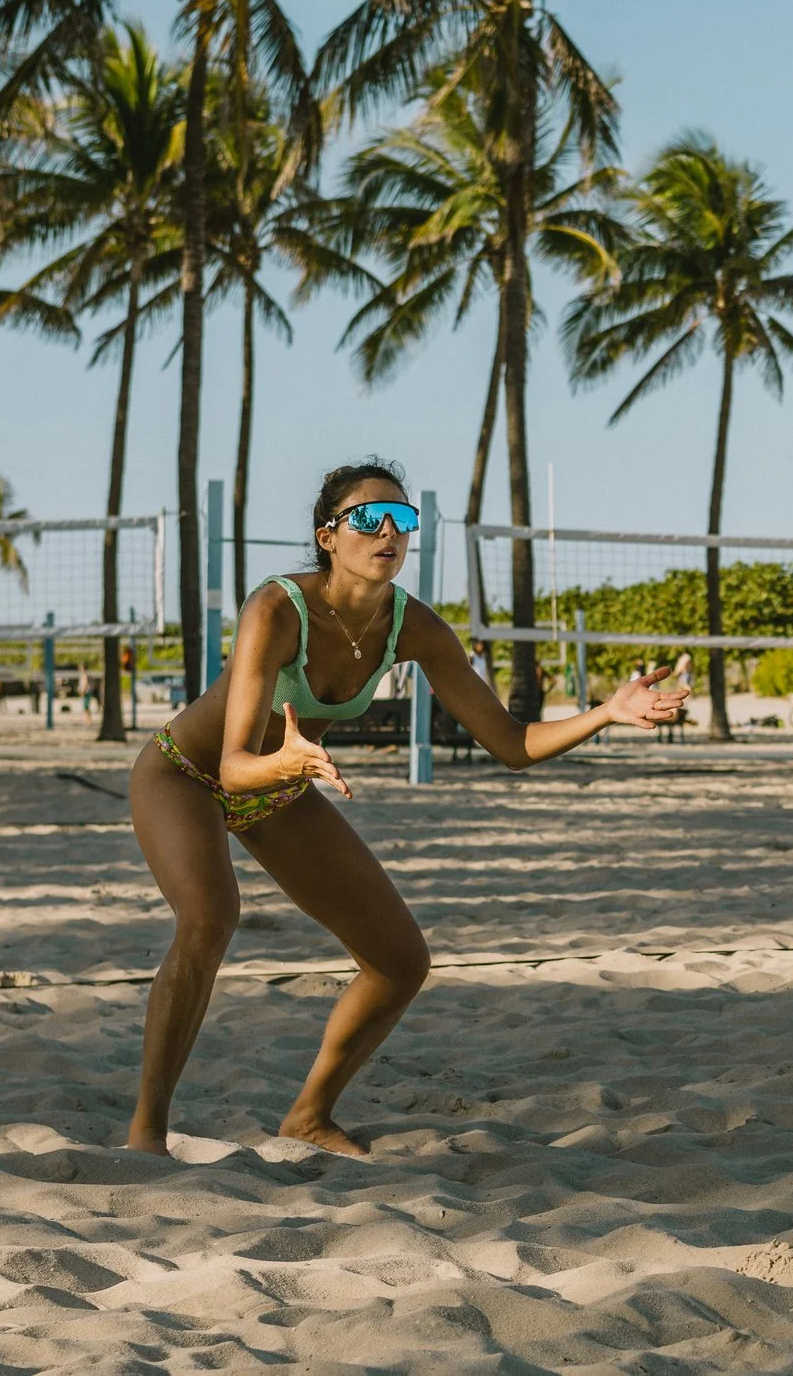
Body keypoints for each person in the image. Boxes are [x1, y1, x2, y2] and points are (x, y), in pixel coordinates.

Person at [126, 460, 686, 1158]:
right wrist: (287, 761)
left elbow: (510, 743)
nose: (389, 530)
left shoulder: (412, 626)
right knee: (211, 917)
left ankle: (307, 1115)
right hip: (186, 773)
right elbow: (235, 764)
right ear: (327, 536)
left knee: (399, 960)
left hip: (287, 781)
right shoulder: (275, 608)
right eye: (369, 517)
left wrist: (605, 710)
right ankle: (146, 1131)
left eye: (403, 518)